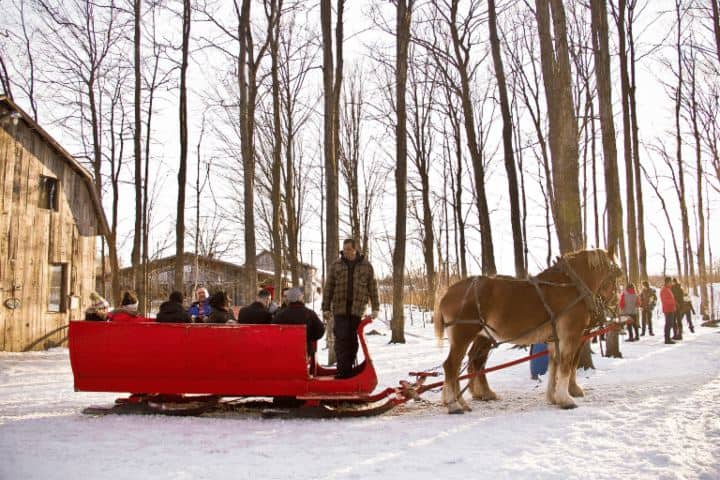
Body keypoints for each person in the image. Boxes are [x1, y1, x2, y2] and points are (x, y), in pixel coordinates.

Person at [322, 238, 380, 379]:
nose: (346, 252)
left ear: (355, 249)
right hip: (340, 308)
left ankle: (348, 370)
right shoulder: (336, 265)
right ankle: (343, 372)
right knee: (341, 339)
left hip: (357, 309)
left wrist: (375, 307)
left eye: (349, 249)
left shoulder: (366, 266)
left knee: (352, 340)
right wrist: (326, 307)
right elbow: (329, 287)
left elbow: (373, 288)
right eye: (344, 249)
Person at [273, 288, 326, 359]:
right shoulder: (309, 314)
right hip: (305, 352)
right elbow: (321, 330)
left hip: (284, 352)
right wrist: (309, 337)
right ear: (299, 297)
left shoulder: (280, 315)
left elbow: (273, 331)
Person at [660, 277, 677, 345]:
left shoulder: (668, 289)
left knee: (670, 324)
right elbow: (665, 300)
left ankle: (668, 338)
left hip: (671, 308)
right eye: (670, 282)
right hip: (667, 309)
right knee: (668, 324)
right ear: (667, 282)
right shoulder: (664, 290)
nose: (671, 283)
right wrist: (673, 301)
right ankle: (667, 339)